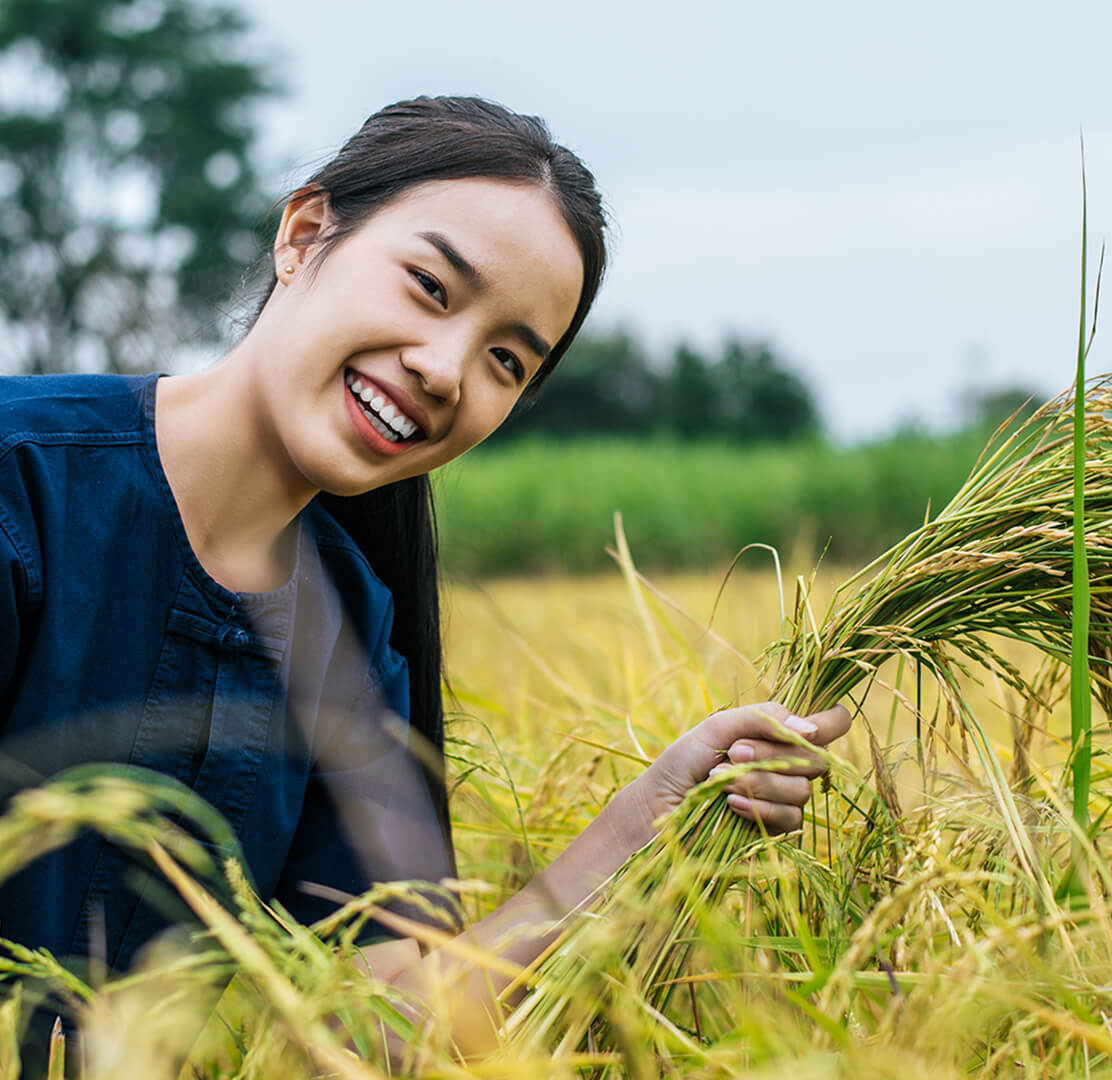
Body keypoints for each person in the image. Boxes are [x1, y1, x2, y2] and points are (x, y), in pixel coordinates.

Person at [0, 95, 848, 1063]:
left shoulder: (350, 635)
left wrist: (650, 815)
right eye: (430, 288)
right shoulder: (21, 486)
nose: (445, 369)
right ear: (305, 233)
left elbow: (379, 1017)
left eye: (504, 359)